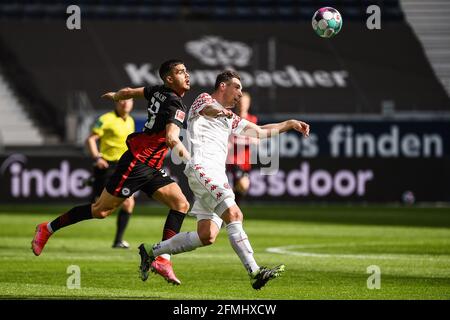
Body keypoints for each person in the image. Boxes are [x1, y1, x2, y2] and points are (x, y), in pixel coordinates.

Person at [138, 70, 310, 289]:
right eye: (236, 87)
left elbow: (258, 131)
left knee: (207, 235)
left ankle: (151, 251)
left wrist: (289, 124)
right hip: (202, 168)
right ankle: (255, 272)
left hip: (215, 173)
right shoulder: (205, 99)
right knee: (235, 213)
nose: (239, 93)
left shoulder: (231, 117)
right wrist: (221, 114)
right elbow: (209, 110)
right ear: (223, 86)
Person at [31, 59, 192, 285]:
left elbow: (131, 92)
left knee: (181, 205)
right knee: (100, 210)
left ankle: (163, 259)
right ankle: (47, 228)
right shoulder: (175, 105)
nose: (187, 75)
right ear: (169, 78)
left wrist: (117, 96)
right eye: (180, 72)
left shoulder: (158, 90)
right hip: (136, 164)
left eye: (186, 71)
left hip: (152, 166)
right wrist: (190, 160)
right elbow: (172, 138)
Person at [86, 98, 136, 249]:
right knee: (98, 208)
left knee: (129, 202)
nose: (125, 103)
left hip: (124, 166)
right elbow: (91, 139)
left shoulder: (131, 121)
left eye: (129, 101)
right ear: (116, 102)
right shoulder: (105, 119)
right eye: (122, 101)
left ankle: (118, 240)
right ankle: (94, 183)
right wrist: (97, 158)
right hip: (107, 166)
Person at [226, 92, 258, 205]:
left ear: (249, 104)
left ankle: (229, 209)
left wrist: (248, 140)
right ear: (237, 103)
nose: (243, 105)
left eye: (245, 102)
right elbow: (228, 141)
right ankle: (230, 210)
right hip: (232, 160)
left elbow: (257, 139)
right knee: (243, 184)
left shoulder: (252, 119)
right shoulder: (231, 118)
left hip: (246, 161)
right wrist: (245, 139)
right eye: (241, 102)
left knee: (241, 188)